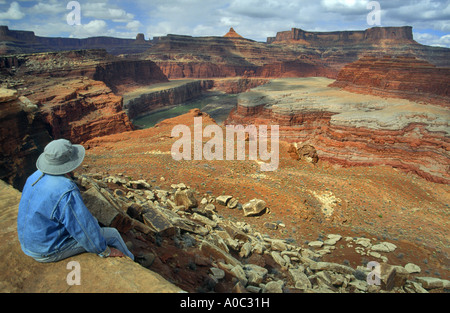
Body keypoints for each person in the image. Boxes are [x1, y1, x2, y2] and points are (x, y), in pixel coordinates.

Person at [17, 138, 135, 263]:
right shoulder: (66, 189)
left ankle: (123, 249)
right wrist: (104, 250)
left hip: (30, 243)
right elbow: (82, 227)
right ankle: (133, 260)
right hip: (47, 250)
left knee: (93, 222)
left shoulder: (34, 176)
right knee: (113, 235)